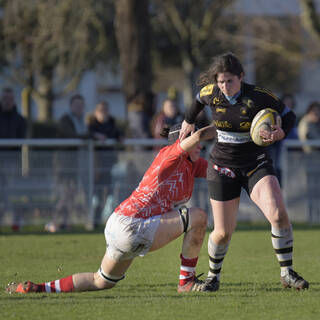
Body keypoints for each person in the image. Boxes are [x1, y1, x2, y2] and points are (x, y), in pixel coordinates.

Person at [6, 123, 216, 294]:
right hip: (133, 225)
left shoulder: (192, 164)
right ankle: (186, 282)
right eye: (190, 134)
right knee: (198, 217)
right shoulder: (169, 154)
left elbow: (219, 170)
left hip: (120, 222)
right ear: (181, 141)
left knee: (102, 281)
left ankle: (39, 288)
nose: (198, 143)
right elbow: (198, 138)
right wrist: (227, 125)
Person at [179, 52, 309, 292]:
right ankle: (213, 277)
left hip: (255, 163)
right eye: (220, 81)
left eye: (230, 81)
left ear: (241, 77)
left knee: (279, 214)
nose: (225, 86)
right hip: (222, 167)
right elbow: (197, 99)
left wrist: (280, 133)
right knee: (222, 233)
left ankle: (287, 273)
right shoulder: (212, 93)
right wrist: (188, 121)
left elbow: (289, 115)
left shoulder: (258, 96)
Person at [49, 94, 91, 232]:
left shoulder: (82, 121)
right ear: (71, 106)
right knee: (64, 195)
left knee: (72, 195)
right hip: (63, 165)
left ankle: (66, 223)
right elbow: (72, 136)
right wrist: (90, 137)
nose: (79, 107)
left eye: (81, 105)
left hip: (76, 164)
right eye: (76, 105)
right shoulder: (65, 120)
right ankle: (54, 221)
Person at [87, 101, 122, 228]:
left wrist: (119, 137)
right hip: (95, 166)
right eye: (101, 110)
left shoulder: (112, 123)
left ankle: (108, 221)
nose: (104, 113)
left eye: (105, 110)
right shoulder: (92, 125)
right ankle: (93, 221)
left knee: (109, 194)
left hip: (109, 165)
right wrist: (96, 136)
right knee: (95, 195)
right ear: (96, 112)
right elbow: (87, 134)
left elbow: (118, 134)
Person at [0, 87, 27, 231]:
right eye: (5, 98)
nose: (7, 101)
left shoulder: (20, 119)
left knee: (12, 194)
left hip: (12, 163)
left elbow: (20, 140)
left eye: (10, 99)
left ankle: (15, 224)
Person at [267, 93, 299, 184]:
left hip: (293, 160)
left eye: (290, 104)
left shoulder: (294, 120)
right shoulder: (275, 120)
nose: (288, 106)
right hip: (278, 160)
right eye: (286, 104)